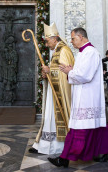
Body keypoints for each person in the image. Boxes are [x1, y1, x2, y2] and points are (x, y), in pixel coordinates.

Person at [48, 27, 108, 167]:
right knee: (97, 126)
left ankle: (64, 158)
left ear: (81, 37)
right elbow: (82, 72)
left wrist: (69, 71)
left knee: (78, 129)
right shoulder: (84, 52)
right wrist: (72, 71)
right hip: (85, 95)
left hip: (87, 98)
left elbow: (85, 75)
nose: (71, 42)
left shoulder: (90, 52)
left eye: (73, 38)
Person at [29, 22, 74, 155]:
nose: (47, 44)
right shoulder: (56, 51)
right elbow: (54, 70)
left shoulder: (64, 50)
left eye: (48, 41)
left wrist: (50, 71)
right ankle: (45, 144)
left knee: (55, 119)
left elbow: (66, 73)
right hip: (53, 91)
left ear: (55, 38)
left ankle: (57, 146)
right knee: (49, 117)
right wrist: (46, 74)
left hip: (60, 92)